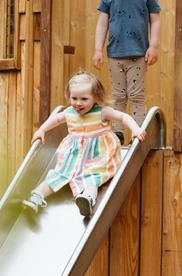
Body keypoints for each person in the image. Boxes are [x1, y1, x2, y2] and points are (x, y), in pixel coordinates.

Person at [23, 72, 146, 217]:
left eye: (84, 99)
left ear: (96, 98)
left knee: (93, 176)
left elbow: (123, 117)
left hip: (98, 154)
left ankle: (87, 198)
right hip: (75, 154)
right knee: (59, 174)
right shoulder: (69, 112)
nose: (78, 103)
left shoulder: (102, 112)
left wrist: (135, 129)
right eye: (74, 98)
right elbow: (55, 120)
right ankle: (37, 196)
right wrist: (41, 130)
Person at [92, 0, 161, 144]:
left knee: (136, 95)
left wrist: (153, 46)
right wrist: (98, 49)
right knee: (118, 96)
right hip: (115, 55)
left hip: (138, 55)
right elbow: (102, 24)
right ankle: (118, 133)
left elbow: (155, 20)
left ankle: (138, 132)